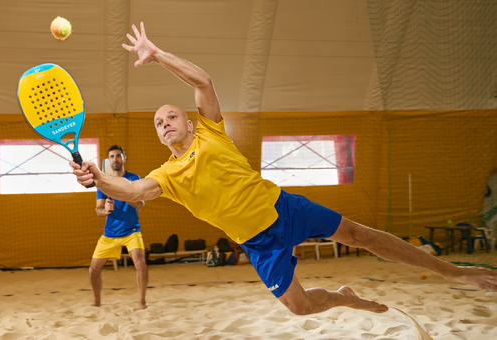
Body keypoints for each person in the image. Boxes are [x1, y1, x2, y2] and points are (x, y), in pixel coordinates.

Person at [72, 22, 497, 316]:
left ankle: (456, 272)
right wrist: (98, 177)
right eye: (157, 124)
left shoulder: (210, 133)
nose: (164, 124)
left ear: (186, 120)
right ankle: (344, 298)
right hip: (258, 244)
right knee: (302, 308)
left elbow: (203, 83)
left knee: (359, 235)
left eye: (170, 117)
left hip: (284, 208)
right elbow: (133, 191)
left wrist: (158, 53)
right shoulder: (166, 175)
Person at [90, 145, 148, 310]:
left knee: (140, 263)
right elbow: (98, 210)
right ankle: (97, 302)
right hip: (110, 234)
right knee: (93, 270)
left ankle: (142, 303)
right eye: (112, 156)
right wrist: (106, 211)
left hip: (132, 231)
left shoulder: (134, 178)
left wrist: (124, 194)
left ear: (124, 158)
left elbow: (141, 205)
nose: (115, 159)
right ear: (108, 160)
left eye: (118, 156)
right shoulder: (103, 182)